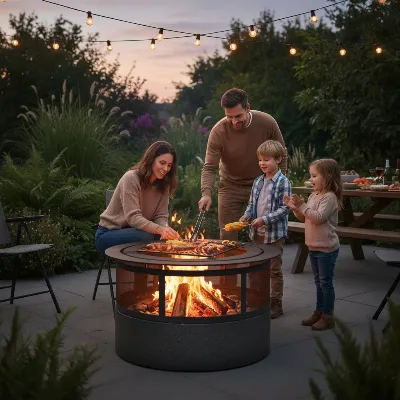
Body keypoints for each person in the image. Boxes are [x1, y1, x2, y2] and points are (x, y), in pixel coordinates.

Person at [198, 88, 288, 241]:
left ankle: (266, 265)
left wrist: (278, 182)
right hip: (230, 186)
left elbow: (282, 154)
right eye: (229, 117)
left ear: (248, 108)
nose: (234, 121)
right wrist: (206, 194)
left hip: (262, 184)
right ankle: (229, 264)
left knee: (264, 234)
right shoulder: (218, 132)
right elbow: (209, 167)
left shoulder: (267, 123)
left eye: (238, 116)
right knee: (227, 235)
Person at [284, 159, 342, 331]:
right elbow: (306, 217)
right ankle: (319, 311)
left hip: (327, 248)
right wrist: (295, 208)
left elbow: (317, 217)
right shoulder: (313, 195)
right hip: (314, 246)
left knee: (325, 283)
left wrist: (303, 206)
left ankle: (328, 315)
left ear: (328, 177)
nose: (311, 180)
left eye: (314, 176)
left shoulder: (329, 197)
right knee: (318, 282)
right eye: (311, 176)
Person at [95, 141, 180, 255]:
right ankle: (141, 273)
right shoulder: (131, 178)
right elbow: (133, 218)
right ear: (151, 160)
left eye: (169, 165)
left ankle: (157, 273)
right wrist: (161, 230)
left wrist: (166, 230)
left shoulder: (164, 185)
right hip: (109, 233)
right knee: (146, 236)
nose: (165, 168)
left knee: (163, 239)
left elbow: (161, 216)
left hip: (138, 232)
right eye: (162, 163)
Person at [239, 140, 291, 319]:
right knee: (255, 268)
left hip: (274, 234)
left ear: (278, 159)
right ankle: (256, 300)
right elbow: (252, 204)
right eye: (260, 160)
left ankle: (276, 304)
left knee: (274, 270)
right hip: (257, 234)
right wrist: (247, 215)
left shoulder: (283, 182)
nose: (262, 163)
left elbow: (285, 209)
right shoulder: (258, 181)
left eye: (266, 159)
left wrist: (264, 219)